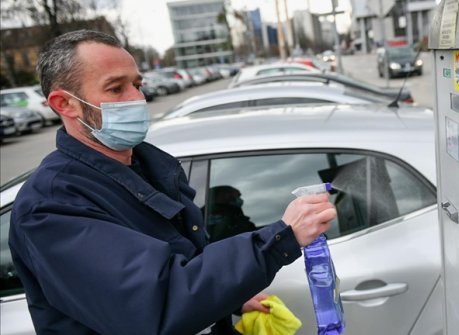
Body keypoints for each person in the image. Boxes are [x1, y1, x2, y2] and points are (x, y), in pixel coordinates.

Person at [8, 30, 336, 335]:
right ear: (64, 104)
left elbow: (183, 260)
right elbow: (157, 303)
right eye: (115, 88)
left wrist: (231, 300)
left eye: (137, 84)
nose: (137, 98)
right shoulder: (51, 206)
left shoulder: (146, 167)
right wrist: (279, 239)